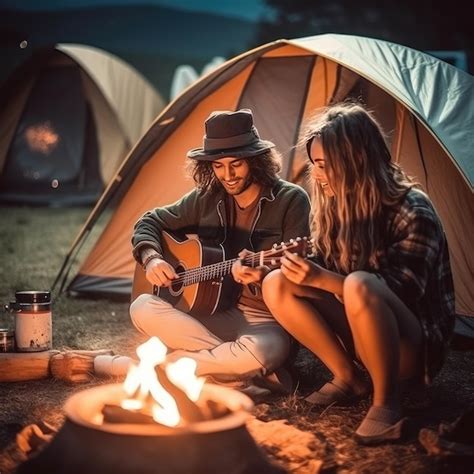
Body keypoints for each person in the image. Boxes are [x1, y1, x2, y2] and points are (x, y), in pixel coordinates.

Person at [262, 102, 455, 444]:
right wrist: (292, 267)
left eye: (324, 165)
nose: (317, 175)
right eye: (315, 164)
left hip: (411, 347)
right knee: (277, 283)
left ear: (356, 160)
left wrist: (322, 279)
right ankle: (348, 376)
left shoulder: (412, 210)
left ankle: (387, 402)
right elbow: (330, 266)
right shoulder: (338, 204)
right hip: (362, 330)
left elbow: (401, 294)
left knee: (360, 284)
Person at [130, 108, 311, 398]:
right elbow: (150, 220)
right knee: (142, 307)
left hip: (265, 317)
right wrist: (152, 257)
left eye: (236, 164)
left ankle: (171, 364)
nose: (227, 175)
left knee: (264, 352)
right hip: (211, 311)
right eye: (218, 165)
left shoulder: (291, 200)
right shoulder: (206, 198)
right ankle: (230, 371)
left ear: (255, 160)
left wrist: (261, 273)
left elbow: (299, 268)